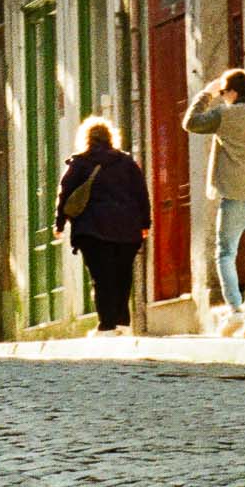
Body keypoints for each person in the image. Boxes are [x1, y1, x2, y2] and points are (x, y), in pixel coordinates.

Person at [182, 67, 245, 333]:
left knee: (226, 253)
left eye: (225, 92)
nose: (223, 96)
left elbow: (190, 123)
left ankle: (236, 309)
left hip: (235, 196)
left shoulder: (225, 115)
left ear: (234, 92)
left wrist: (207, 93)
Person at [55, 116, 153, 334]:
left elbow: (65, 195)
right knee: (122, 276)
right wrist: (145, 224)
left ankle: (107, 324)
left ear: (86, 139)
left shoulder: (79, 163)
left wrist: (59, 224)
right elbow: (141, 194)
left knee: (101, 278)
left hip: (93, 231)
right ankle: (122, 323)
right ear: (111, 138)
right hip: (127, 230)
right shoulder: (126, 163)